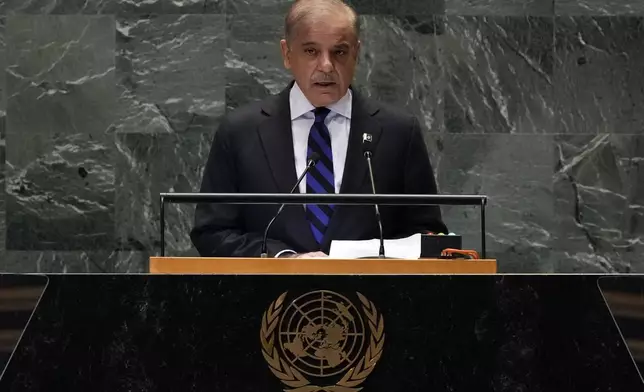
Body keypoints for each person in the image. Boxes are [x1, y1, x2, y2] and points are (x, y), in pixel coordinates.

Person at [190, 0, 447, 258]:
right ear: (287, 54)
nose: (326, 66)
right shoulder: (240, 132)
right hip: (267, 295)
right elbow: (213, 231)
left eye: (339, 52)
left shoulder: (397, 132)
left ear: (356, 53)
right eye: (311, 51)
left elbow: (427, 235)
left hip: (371, 295)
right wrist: (285, 259)